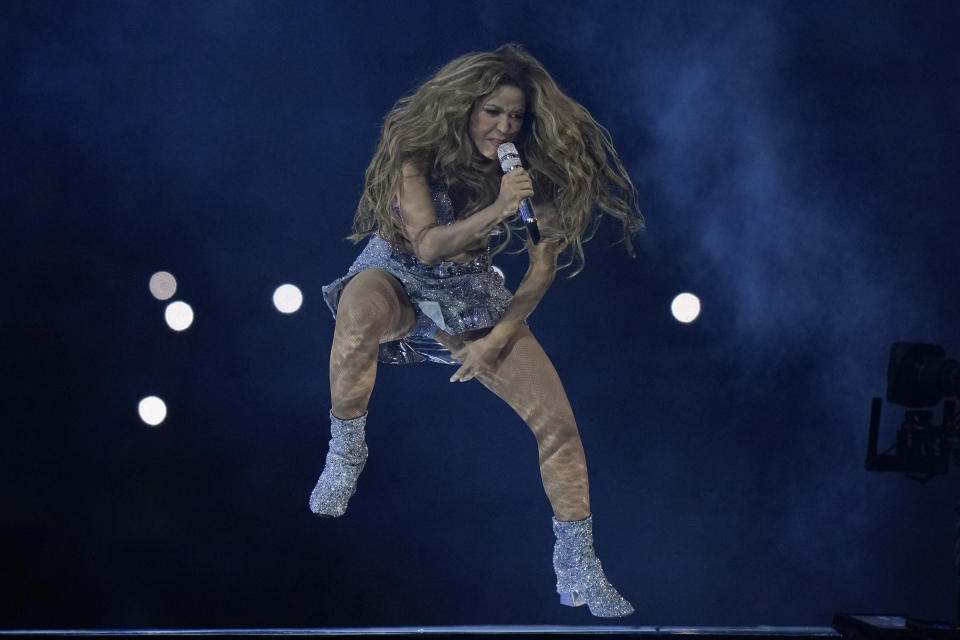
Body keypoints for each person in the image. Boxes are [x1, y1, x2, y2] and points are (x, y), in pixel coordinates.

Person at [309, 44, 644, 618]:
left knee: (559, 425)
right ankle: (347, 450)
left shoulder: (531, 177)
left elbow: (542, 268)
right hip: (395, 270)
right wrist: (497, 208)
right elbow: (428, 245)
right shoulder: (415, 150)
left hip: (468, 292)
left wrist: (496, 337)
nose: (503, 126)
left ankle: (577, 564)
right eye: (492, 112)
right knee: (357, 312)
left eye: (515, 117)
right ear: (464, 108)